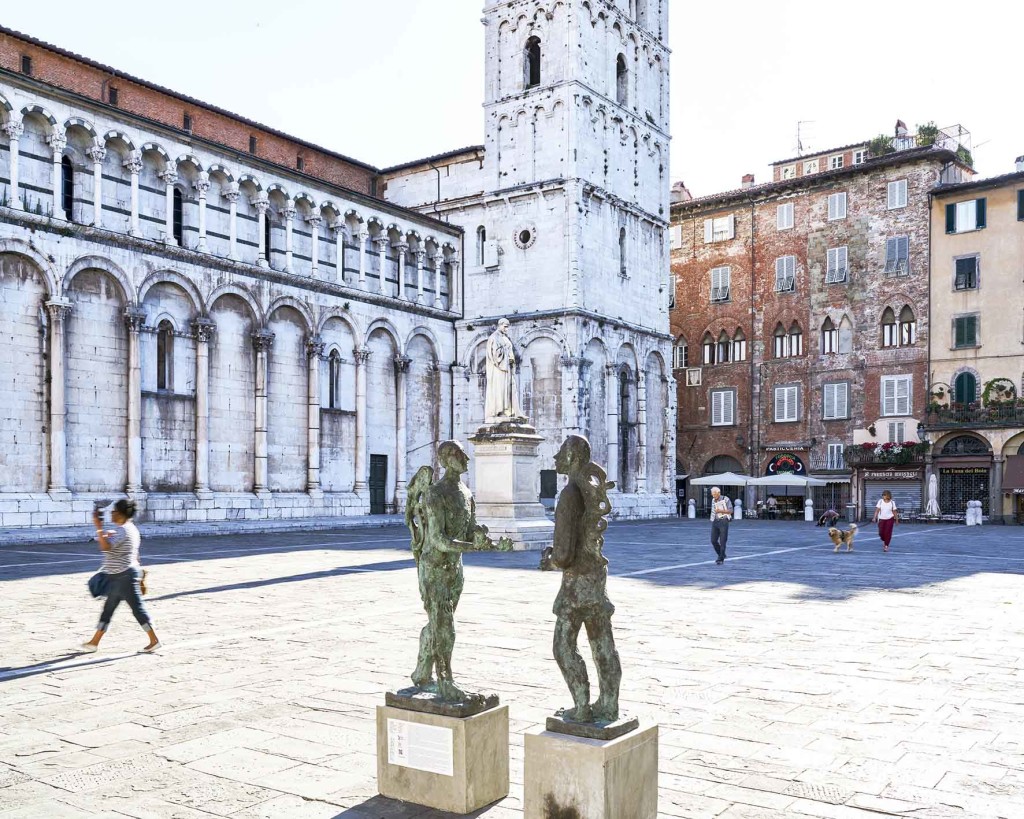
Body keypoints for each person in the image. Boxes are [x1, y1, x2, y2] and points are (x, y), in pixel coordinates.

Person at [81, 499, 160, 653]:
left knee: (137, 610)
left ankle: (154, 640)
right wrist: (107, 534)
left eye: (114, 511)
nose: (111, 513)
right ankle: (94, 642)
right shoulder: (130, 529)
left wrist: (99, 528)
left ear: (121, 514)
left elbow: (105, 547)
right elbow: (133, 553)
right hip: (119, 577)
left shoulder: (123, 530)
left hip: (124, 578)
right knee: (108, 610)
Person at [709, 487, 733, 565]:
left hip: (723, 521)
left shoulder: (726, 499)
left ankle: (720, 558)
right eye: (712, 494)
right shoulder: (713, 500)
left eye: (715, 494)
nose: (713, 496)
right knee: (713, 540)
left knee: (723, 541)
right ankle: (721, 554)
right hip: (715, 521)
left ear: (719, 493)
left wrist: (720, 511)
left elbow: (731, 510)